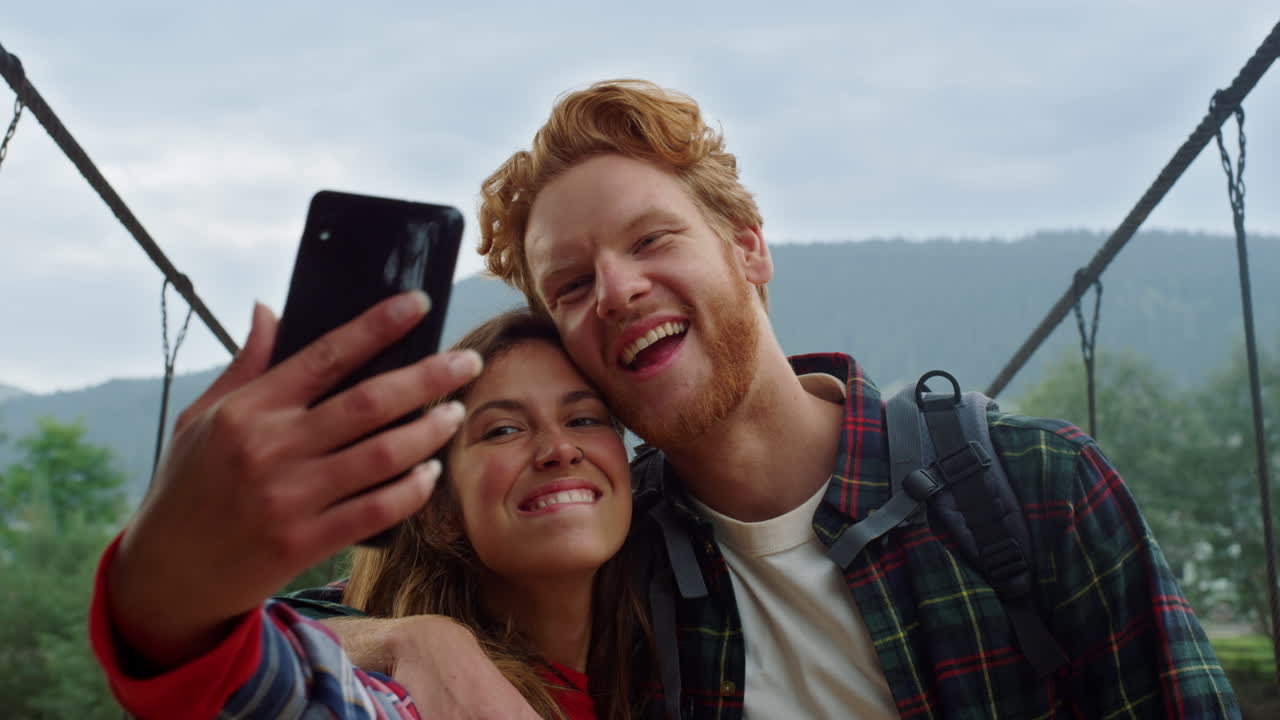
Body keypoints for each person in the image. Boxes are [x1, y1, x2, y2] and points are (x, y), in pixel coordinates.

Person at [309, 79, 1240, 718]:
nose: (619, 288)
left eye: (650, 240)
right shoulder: (617, 550)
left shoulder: (1034, 490)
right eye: (573, 286)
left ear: (749, 249)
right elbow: (267, 628)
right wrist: (414, 641)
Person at [89, 302, 652, 719]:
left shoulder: (683, 635)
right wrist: (167, 580)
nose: (560, 448)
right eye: (503, 429)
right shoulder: (415, 698)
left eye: (584, 419)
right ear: (438, 513)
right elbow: (255, 674)